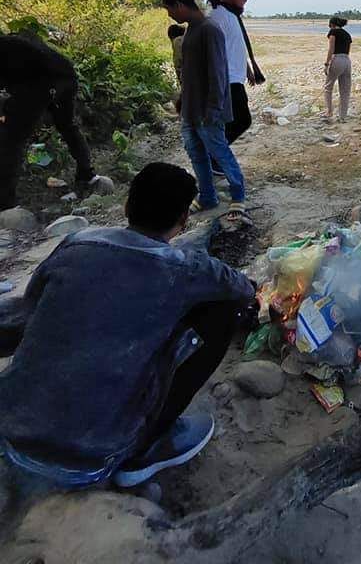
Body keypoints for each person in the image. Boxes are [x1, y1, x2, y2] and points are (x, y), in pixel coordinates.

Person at [0, 162, 256, 488]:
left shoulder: (77, 242)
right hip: (95, 455)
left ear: (126, 206)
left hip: (11, 430)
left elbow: (30, 309)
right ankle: (147, 446)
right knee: (224, 310)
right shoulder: (186, 267)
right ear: (182, 221)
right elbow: (244, 290)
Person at [161, 0, 249, 222]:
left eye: (169, 9)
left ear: (179, 5)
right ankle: (207, 195)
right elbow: (190, 73)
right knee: (197, 155)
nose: (170, 15)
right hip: (190, 109)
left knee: (221, 153)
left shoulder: (210, 29)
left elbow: (218, 74)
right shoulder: (191, 31)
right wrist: (182, 100)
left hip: (207, 111)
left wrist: (213, 109)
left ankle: (238, 196)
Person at [0, 32, 97, 211]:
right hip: (66, 76)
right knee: (67, 126)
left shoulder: (7, 48)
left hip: (42, 83)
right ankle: (87, 174)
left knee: (12, 139)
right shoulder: (15, 41)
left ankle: (5, 202)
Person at [206, 0, 259, 173]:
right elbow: (210, 50)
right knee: (241, 120)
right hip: (225, 80)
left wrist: (247, 69)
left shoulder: (231, 14)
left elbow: (235, 46)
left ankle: (214, 156)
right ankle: (213, 157)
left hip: (236, 77)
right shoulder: (217, 16)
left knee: (236, 120)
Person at [323, 16, 352, 123]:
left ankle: (329, 111)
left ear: (332, 24)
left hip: (337, 59)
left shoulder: (333, 32)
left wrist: (327, 63)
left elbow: (331, 48)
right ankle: (342, 116)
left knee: (328, 87)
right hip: (347, 61)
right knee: (345, 90)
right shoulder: (347, 34)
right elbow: (347, 50)